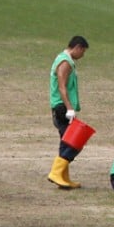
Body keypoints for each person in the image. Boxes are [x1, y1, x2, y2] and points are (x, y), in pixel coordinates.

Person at [47, 35, 89, 189]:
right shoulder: (65, 62)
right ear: (77, 47)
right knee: (72, 143)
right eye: (82, 51)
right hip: (62, 107)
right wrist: (69, 108)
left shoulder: (64, 59)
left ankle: (63, 177)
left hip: (62, 106)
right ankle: (56, 173)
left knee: (65, 141)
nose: (82, 55)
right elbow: (62, 86)